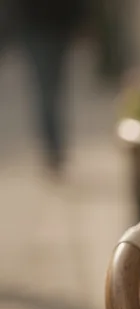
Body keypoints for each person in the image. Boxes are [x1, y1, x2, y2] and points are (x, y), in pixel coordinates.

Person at [9, 0, 89, 177]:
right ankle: (52, 146)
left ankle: (53, 146)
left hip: (53, 27)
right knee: (48, 89)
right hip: (41, 27)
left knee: (50, 88)